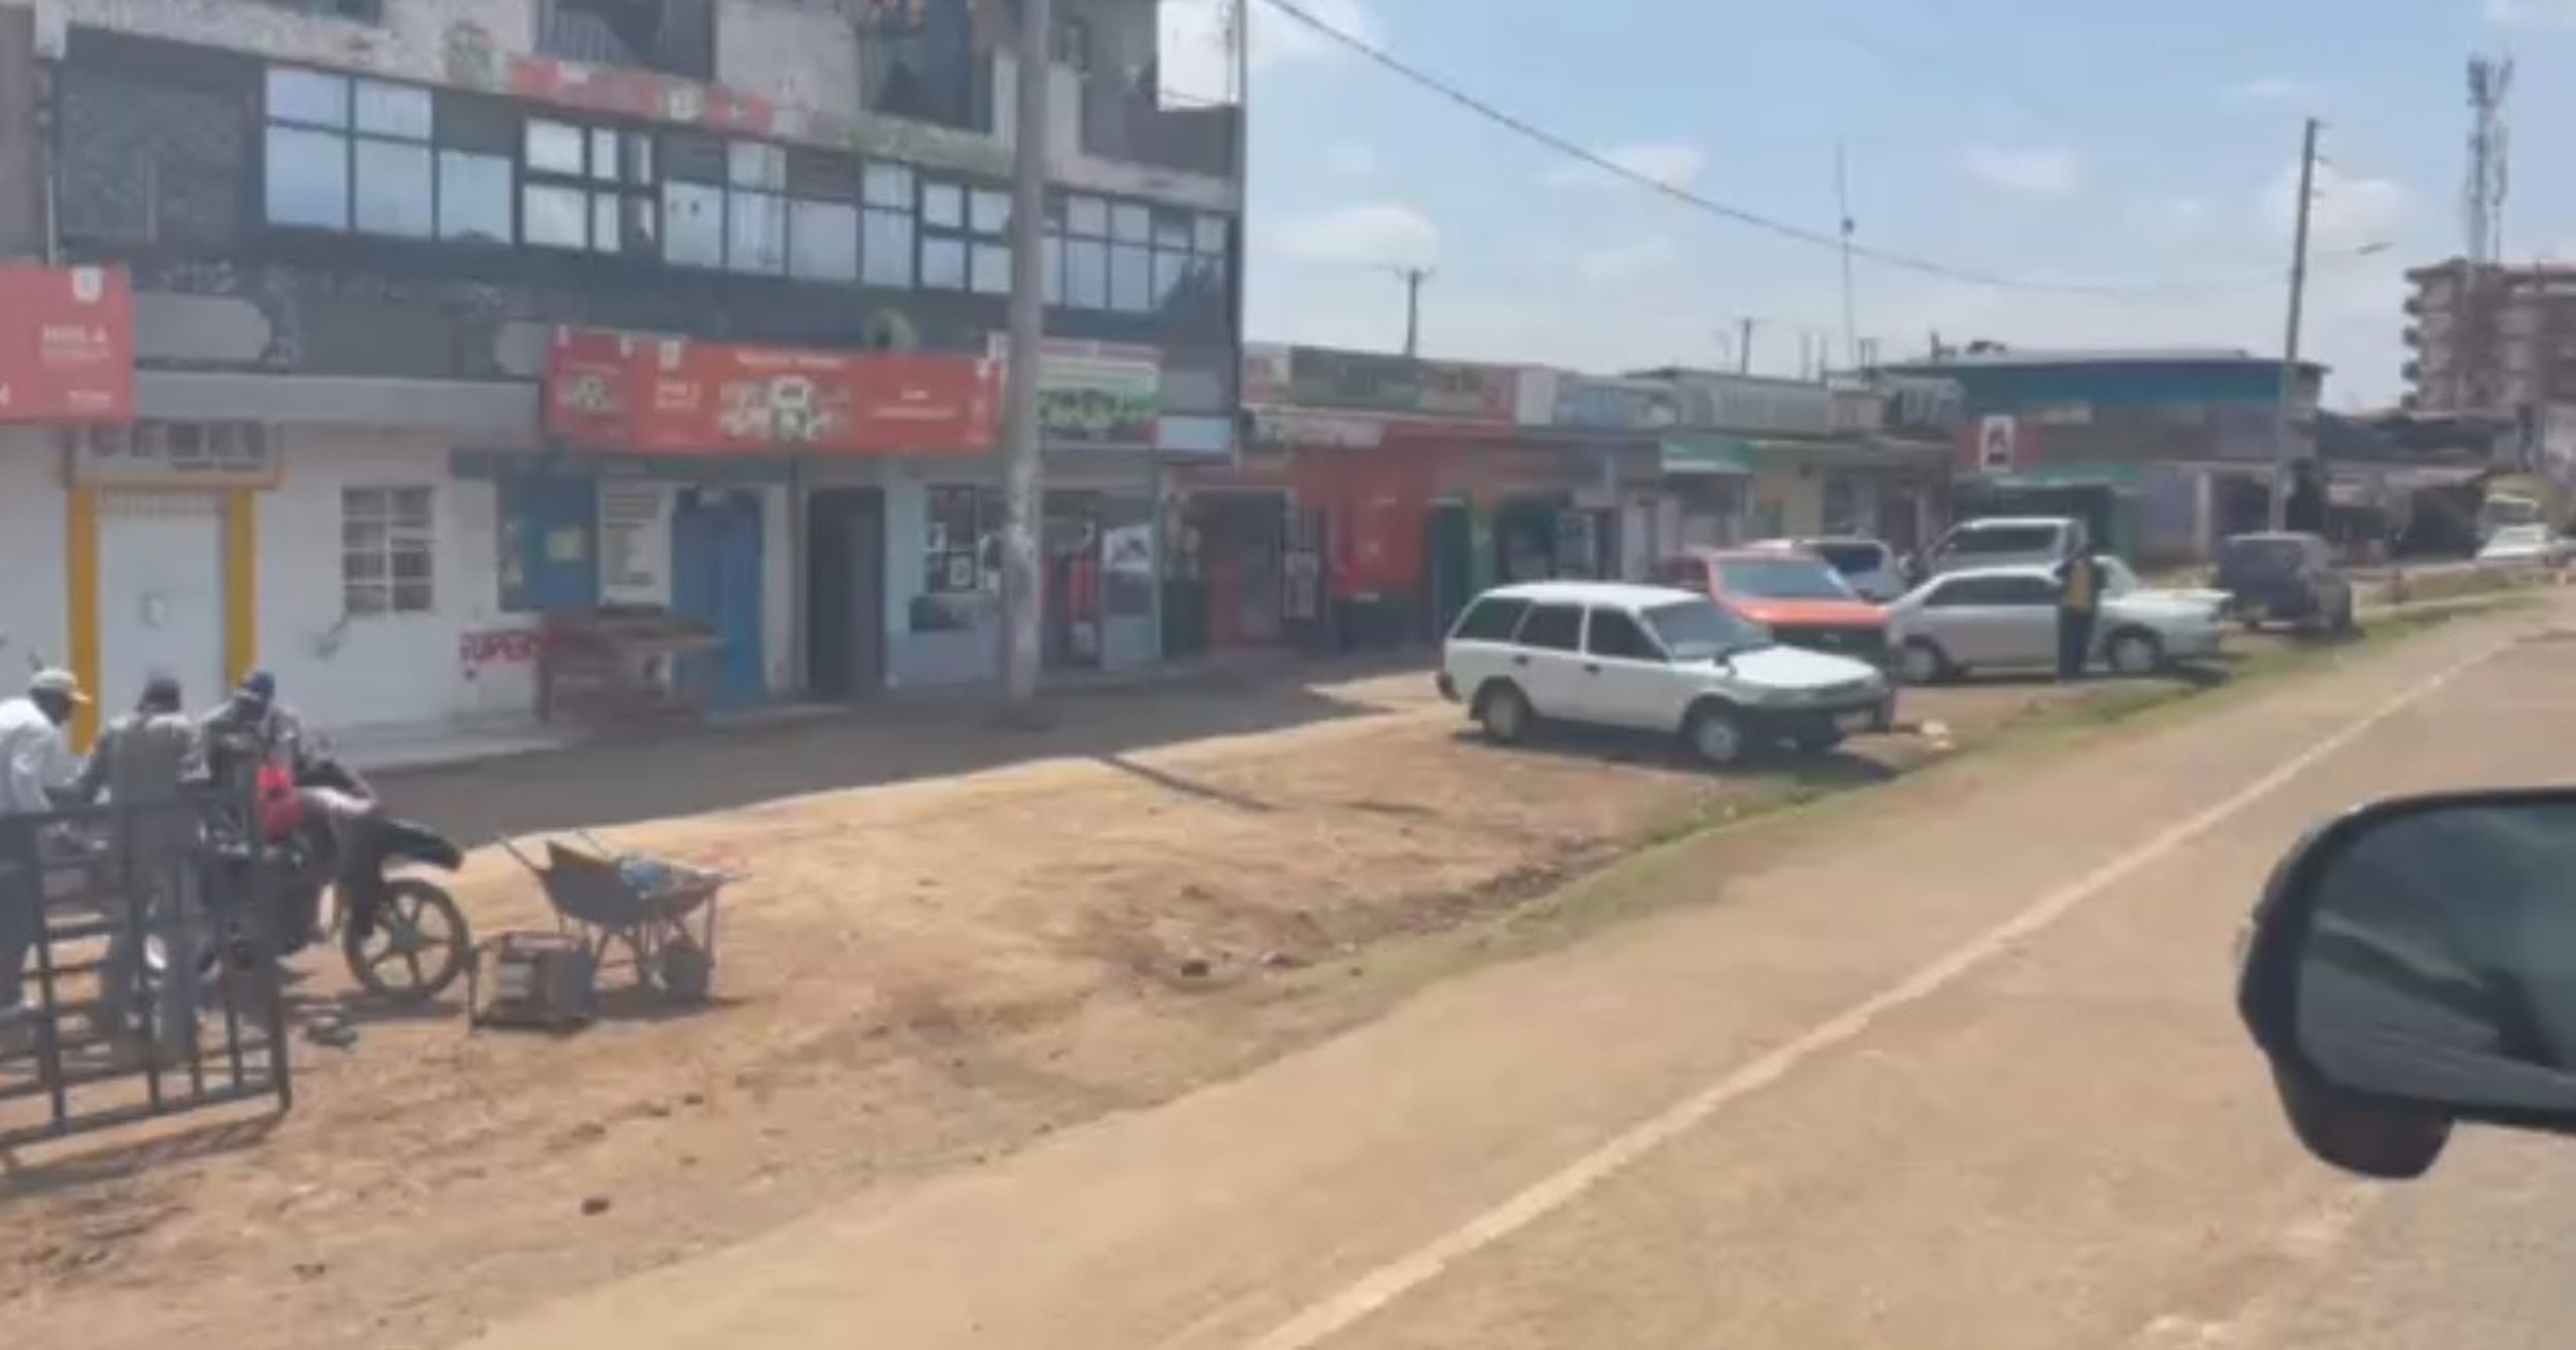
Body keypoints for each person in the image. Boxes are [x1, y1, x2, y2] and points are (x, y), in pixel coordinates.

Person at [64, 676, 204, 1058]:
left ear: (143, 701)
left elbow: (83, 785)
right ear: (174, 702)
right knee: (180, 940)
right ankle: (177, 1035)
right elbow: (198, 781)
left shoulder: (113, 729)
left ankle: (110, 1013)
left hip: (124, 849)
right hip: (172, 847)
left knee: (127, 933)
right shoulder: (182, 729)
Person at [0, 669, 89, 1048]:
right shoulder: (39, 726)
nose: (69, 715)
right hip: (8, 831)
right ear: (52, 700)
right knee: (17, 915)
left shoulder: (9, 710)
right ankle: (7, 1000)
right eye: (69, 705)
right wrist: (53, 828)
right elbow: (22, 779)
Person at [199, 670, 304, 794]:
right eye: (244, 700)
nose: (248, 706)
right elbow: (207, 722)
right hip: (233, 783)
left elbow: (283, 764)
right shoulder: (232, 712)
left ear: (268, 698)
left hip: (272, 783)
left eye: (253, 701)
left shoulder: (281, 719)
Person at [2051, 529, 2106, 681]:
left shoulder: (2096, 569)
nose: (2087, 555)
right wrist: (2072, 558)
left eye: (2089, 552)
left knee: (2081, 644)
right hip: (2071, 610)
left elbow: (2101, 587)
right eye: (2084, 552)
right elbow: (2057, 572)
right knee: (2068, 645)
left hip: (2086, 611)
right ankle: (2065, 674)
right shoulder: (2072, 566)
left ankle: (2077, 672)